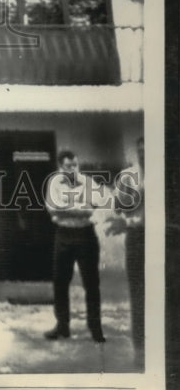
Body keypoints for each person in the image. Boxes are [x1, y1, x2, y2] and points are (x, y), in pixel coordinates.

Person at [44, 149, 106, 343]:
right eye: (68, 166)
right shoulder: (54, 183)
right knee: (60, 282)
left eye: (75, 165)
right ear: (60, 167)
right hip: (63, 235)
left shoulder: (87, 182)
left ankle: (95, 328)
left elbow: (96, 205)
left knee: (91, 283)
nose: (72, 169)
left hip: (85, 235)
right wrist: (80, 207)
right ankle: (62, 326)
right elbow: (52, 207)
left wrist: (68, 208)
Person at [106, 136, 145, 363]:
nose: (143, 154)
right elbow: (119, 207)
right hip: (137, 239)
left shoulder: (166, 172)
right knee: (138, 294)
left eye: (148, 150)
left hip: (166, 238)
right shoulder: (128, 176)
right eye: (140, 150)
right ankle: (140, 349)